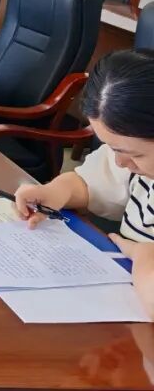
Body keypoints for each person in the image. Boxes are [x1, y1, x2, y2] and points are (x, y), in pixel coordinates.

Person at [15, 50, 154, 317]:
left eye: (134, 155)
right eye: (112, 148)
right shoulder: (135, 155)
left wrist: (143, 254)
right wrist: (56, 191)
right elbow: (89, 184)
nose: (120, 163)